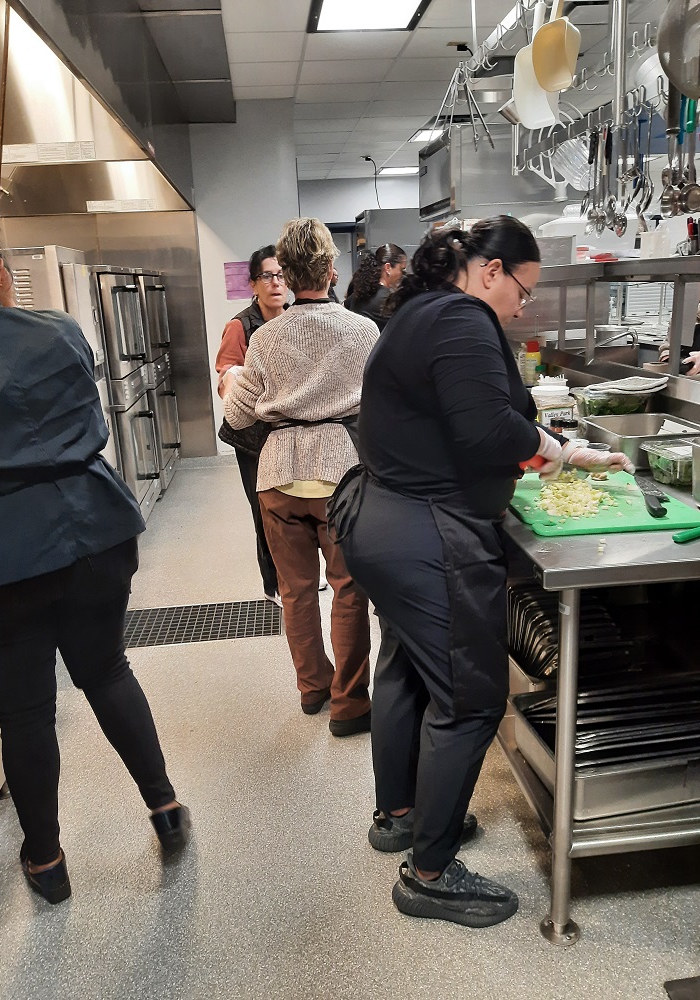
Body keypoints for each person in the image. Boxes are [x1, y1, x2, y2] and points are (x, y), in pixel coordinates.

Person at [332, 217, 634, 925]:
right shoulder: (463, 318)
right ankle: (429, 873)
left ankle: (403, 815)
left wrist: (550, 447)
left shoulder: (415, 313)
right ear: (490, 270)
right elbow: (488, 430)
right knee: (470, 697)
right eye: (522, 290)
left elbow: (466, 421)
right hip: (424, 531)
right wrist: (563, 452)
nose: (522, 308)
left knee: (408, 666)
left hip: (380, 515)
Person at [0, 196, 189, 905]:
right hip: (90, 533)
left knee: (23, 713)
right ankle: (165, 806)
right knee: (108, 670)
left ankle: (47, 862)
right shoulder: (58, 331)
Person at [222, 218, 377, 735]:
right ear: (332, 270)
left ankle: (312, 688)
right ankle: (349, 704)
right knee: (349, 590)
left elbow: (238, 417)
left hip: (279, 477)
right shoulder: (363, 331)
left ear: (285, 274)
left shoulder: (264, 338)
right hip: (342, 478)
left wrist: (237, 380)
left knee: (296, 591)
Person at [216, 246, 288, 606]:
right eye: (267, 276)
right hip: (252, 437)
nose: (276, 283)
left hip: (287, 433)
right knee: (263, 508)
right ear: (253, 284)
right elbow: (226, 379)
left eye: (281, 275)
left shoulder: (295, 318)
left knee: (291, 503)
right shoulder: (240, 325)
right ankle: (271, 582)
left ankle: (294, 572)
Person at [344, 243, 406, 330]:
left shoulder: (357, 295)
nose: (403, 275)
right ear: (388, 268)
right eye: (401, 270)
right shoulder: (389, 300)